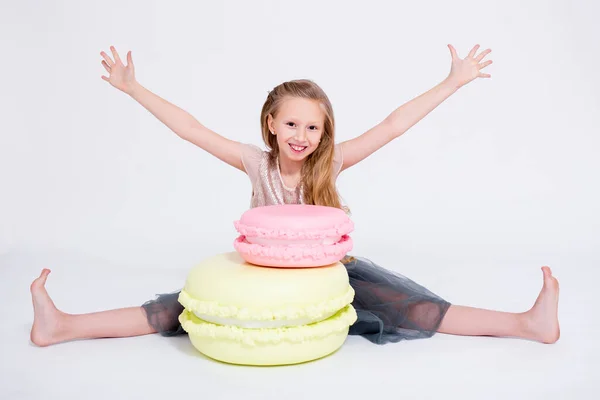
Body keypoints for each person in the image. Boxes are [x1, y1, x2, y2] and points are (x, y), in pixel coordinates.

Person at [29, 44, 560, 347]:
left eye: (312, 127)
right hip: (260, 276)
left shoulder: (330, 162)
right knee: (177, 311)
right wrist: (134, 88)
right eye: (291, 124)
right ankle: (64, 326)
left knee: (414, 308)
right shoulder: (254, 161)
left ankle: (524, 324)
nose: (301, 136)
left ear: (323, 132)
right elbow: (190, 128)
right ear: (271, 123)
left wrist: (453, 81)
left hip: (330, 274)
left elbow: (394, 125)